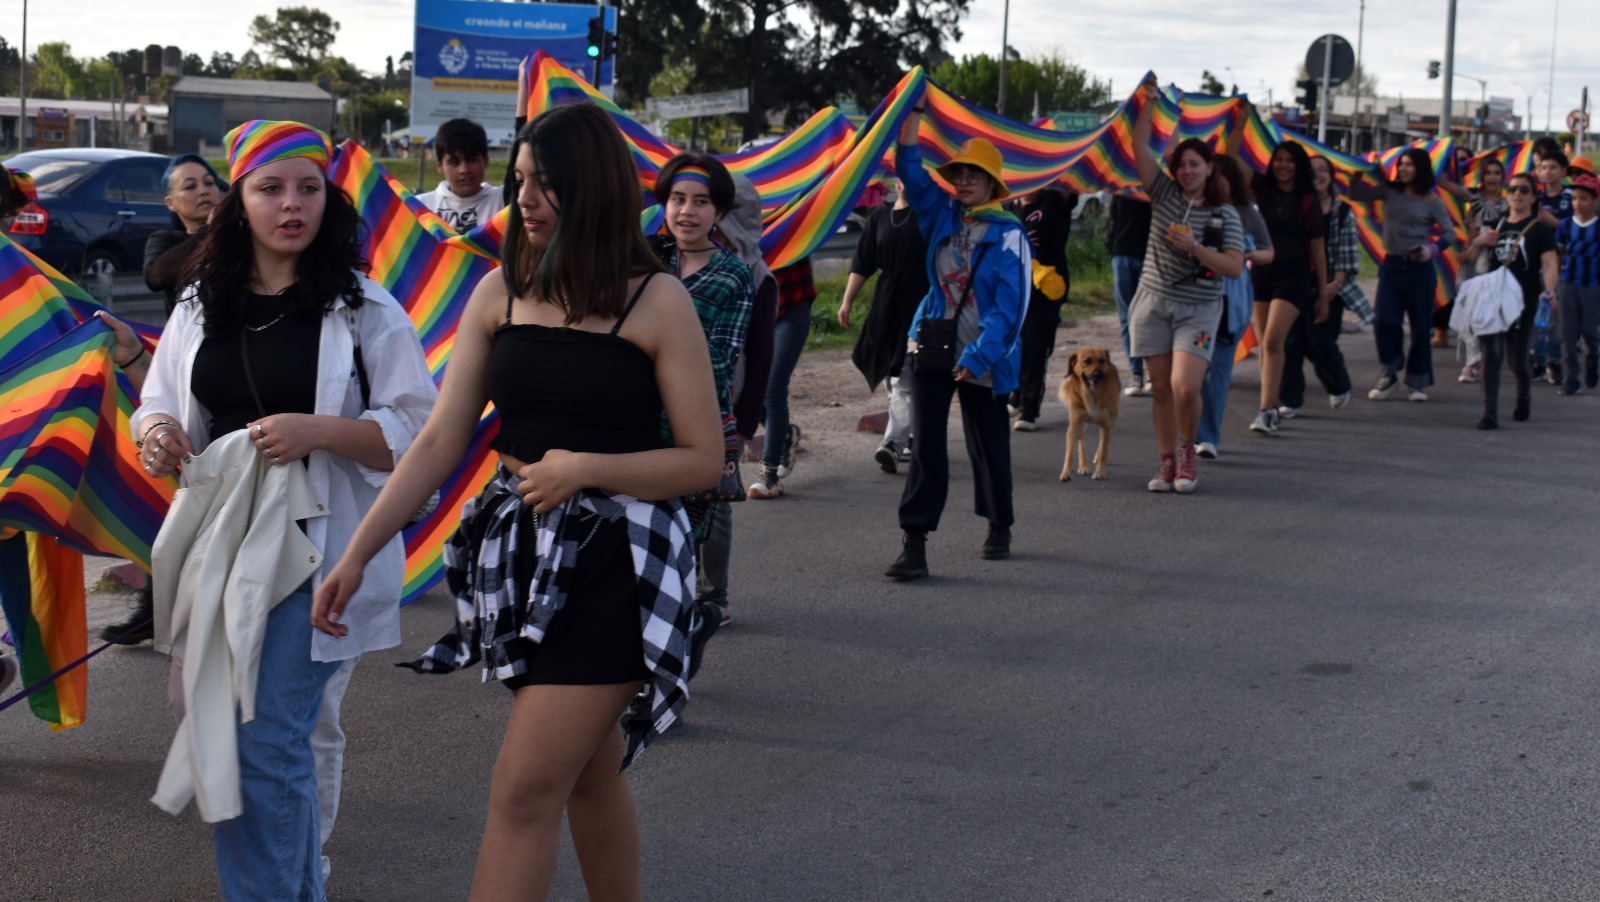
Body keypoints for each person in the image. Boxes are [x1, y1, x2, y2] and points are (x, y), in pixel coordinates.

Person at [315, 102, 722, 901]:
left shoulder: (658, 302)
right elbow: (437, 442)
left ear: (593, 189)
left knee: (523, 790)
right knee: (588, 776)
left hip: (620, 568)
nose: (523, 200)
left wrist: (583, 469)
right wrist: (359, 552)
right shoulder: (499, 291)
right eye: (520, 181)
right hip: (528, 561)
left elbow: (703, 459)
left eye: (544, 184)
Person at [134, 120, 436, 900]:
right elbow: (162, 400)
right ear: (239, 201)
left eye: (308, 188)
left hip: (321, 550)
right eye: (270, 188)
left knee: (259, 742)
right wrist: (160, 433)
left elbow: (423, 438)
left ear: (329, 201)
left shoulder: (366, 309)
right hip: (224, 550)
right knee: (248, 742)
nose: (291, 204)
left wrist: (322, 431)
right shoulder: (202, 304)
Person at [884, 105, 1029, 579]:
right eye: (960, 174)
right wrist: (910, 114)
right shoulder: (943, 215)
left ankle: (999, 523)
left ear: (992, 184)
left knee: (986, 444)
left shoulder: (1009, 235)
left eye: (975, 175)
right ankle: (915, 541)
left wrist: (979, 355)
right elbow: (907, 168)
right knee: (926, 443)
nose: (964, 181)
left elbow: (1011, 309)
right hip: (933, 343)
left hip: (986, 355)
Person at [96, 156, 228, 647]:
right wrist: (219, 227)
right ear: (171, 203)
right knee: (176, 497)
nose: (203, 191)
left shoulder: (244, 242)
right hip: (182, 385)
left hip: (234, 381)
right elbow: (159, 275)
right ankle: (157, 605)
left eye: (210, 182)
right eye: (188, 186)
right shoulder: (167, 243)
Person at [648, 153, 755, 651]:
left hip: (698, 429)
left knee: (689, 540)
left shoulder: (733, 275)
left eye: (700, 202)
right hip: (639, 427)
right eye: (677, 199)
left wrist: (659, 336)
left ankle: (696, 620)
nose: (686, 211)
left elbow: (721, 359)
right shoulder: (646, 258)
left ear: (718, 213)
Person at [1126, 74, 1244, 493]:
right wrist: (1149, 102)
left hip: (1199, 310)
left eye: (1196, 163)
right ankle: (1165, 462)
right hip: (1153, 302)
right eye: (1181, 164)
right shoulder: (1163, 194)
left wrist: (1195, 247)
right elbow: (1140, 147)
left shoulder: (1226, 214)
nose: (1187, 170)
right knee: (1160, 388)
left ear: (1210, 168)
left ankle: (1188, 450)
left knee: (1185, 386)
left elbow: (1233, 268)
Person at [1347, 148, 1455, 402]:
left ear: (1421, 169)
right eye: (1401, 164)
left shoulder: (1431, 200)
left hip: (1419, 269)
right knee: (1384, 320)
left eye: (1409, 165)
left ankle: (1417, 382)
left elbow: (1449, 234)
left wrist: (1430, 250)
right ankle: (1389, 371)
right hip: (1391, 266)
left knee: (1420, 327)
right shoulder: (1389, 190)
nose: (1403, 169)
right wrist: (1355, 170)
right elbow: (1356, 194)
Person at [839, 176, 931, 473]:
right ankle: (911, 435)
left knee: (903, 376)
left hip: (921, 305)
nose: (908, 181)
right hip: (886, 303)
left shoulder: (932, 216)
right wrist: (847, 301)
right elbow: (862, 263)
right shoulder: (880, 216)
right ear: (895, 180)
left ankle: (893, 442)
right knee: (892, 374)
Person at [1247, 142, 1332, 433]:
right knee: (1265, 344)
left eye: (1290, 161)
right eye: (1278, 160)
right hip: (1261, 272)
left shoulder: (1308, 200)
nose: (1283, 166)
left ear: (1299, 166)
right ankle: (1267, 406)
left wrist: (1322, 294)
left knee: (1272, 341)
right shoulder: (1263, 190)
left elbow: (1318, 250)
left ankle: (1268, 410)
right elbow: (1232, 159)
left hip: (1295, 276)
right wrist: (1239, 123)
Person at [1469, 171, 1560, 428]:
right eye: (1512, 190)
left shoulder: (1540, 230)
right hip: (1493, 300)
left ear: (1533, 197)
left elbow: (1549, 264)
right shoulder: (1497, 225)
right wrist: (1478, 241)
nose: (1516, 194)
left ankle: (1523, 396)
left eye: (1523, 190)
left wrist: (1549, 291)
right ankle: (1490, 413)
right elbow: (1469, 255)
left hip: (1524, 301)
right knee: (1492, 354)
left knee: (1516, 361)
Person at [1195, 155, 1271, 460]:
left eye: (1221, 176)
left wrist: (1246, 250)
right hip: (1197, 305)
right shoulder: (1194, 209)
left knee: (1219, 372)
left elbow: (1269, 252)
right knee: (1195, 372)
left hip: (1231, 308)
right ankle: (1195, 432)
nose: (1215, 182)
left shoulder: (1247, 213)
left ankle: (1207, 437)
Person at [1278, 154, 1362, 416]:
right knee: (1290, 344)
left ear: (1331, 175)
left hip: (1329, 288)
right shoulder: (1296, 205)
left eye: (1323, 170)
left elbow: (1347, 258)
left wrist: (1333, 284)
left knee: (1319, 344)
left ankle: (1338, 384)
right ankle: (1290, 401)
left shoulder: (1342, 211)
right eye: (1312, 171)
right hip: (1295, 285)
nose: (1318, 175)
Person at [1005, 186, 1077, 431]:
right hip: (1014, 288)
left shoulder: (1054, 202)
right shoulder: (1009, 207)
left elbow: (1069, 182)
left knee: (1036, 348)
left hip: (1045, 291)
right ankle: (1015, 396)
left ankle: (1029, 409)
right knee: (1013, 345)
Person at [748, 258, 815, 497]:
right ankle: (785, 435)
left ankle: (770, 474)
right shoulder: (732, 227)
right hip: (752, 314)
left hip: (789, 308)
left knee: (772, 389)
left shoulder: (787, 221)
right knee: (747, 388)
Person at [1455, 157, 1509, 384]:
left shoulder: (1507, 204)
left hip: (1494, 262)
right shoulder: (1473, 197)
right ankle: (1472, 358)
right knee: (1468, 309)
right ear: (1482, 176)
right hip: (1471, 257)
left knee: (1487, 310)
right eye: (1488, 173)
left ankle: (1477, 359)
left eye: (1497, 173)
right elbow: (1446, 184)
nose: (1492, 177)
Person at [1554, 173, 1600, 394]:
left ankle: (1592, 358)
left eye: (1584, 198)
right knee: (1568, 333)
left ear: (1595, 200)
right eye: (1574, 198)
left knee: (1590, 331)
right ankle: (1571, 378)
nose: (1578, 203)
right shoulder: (1564, 226)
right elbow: (1558, 255)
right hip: (1567, 284)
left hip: (1593, 286)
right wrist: (1554, 286)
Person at [417, 117, 502, 232]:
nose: (464, 170)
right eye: (454, 162)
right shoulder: (420, 207)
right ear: (440, 166)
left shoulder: (503, 200)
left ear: (486, 160)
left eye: (472, 160)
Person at [1106, 193, 1154, 395]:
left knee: (1151, 316)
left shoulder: (1156, 183)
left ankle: (1153, 372)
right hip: (1121, 253)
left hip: (1149, 255)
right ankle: (1136, 373)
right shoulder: (1120, 185)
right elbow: (1112, 218)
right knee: (1127, 318)